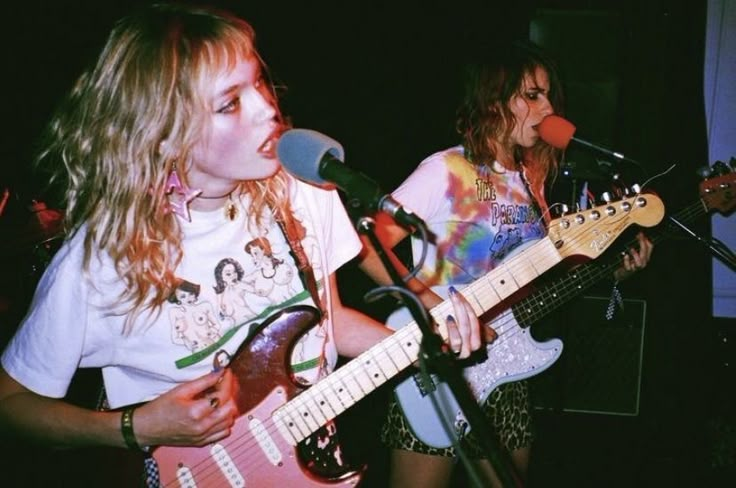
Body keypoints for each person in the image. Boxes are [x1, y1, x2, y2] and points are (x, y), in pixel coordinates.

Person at [0, 3, 484, 486]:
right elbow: (11, 405)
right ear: (164, 134)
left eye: (257, 83)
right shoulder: (102, 258)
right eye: (230, 103)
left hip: (311, 463)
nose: (267, 108)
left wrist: (424, 344)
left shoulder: (303, 193)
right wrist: (134, 427)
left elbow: (329, 324)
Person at [358, 40, 654, 488]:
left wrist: (612, 273)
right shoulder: (446, 170)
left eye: (549, 95)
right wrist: (432, 305)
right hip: (439, 363)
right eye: (532, 95)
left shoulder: (531, 180)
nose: (549, 107)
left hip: (508, 366)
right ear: (494, 102)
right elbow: (366, 245)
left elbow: (540, 278)